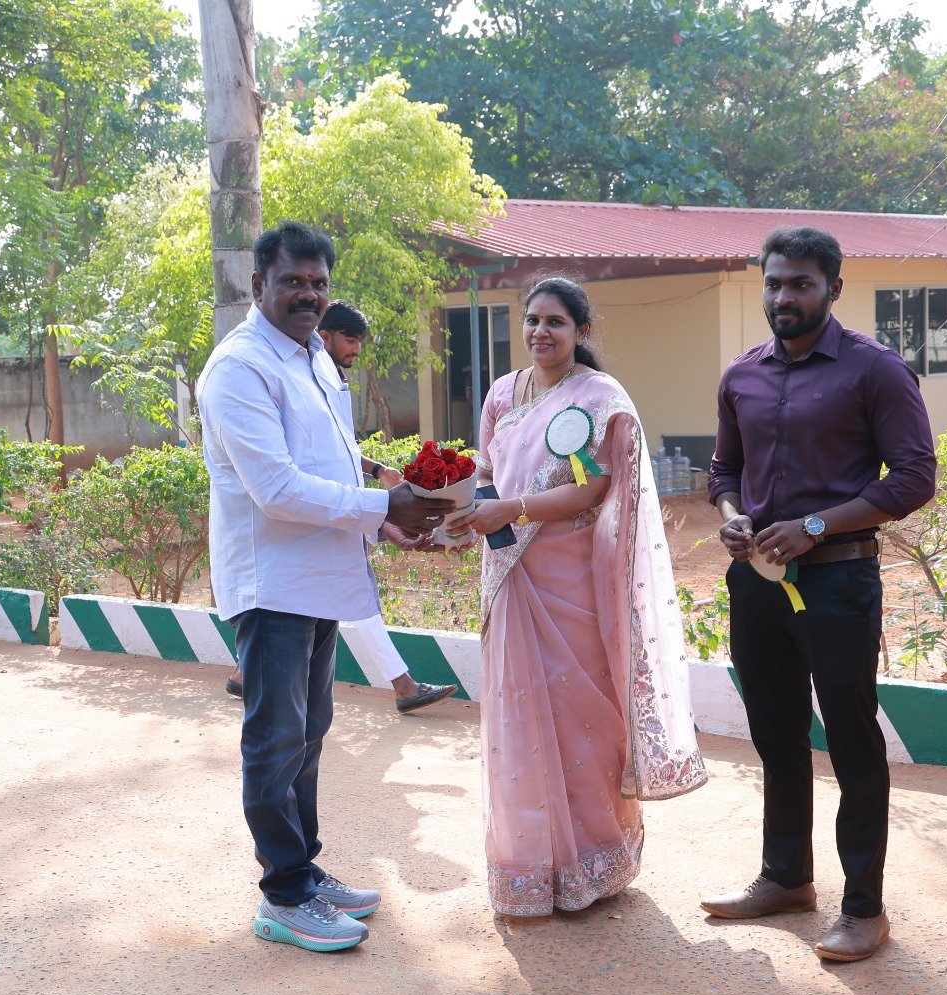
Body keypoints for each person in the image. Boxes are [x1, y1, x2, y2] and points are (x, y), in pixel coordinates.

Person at [197, 222, 453, 952]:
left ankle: (303, 869)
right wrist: (382, 505)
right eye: (292, 282)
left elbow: (331, 463)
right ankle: (283, 895)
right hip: (273, 582)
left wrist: (386, 523)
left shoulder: (313, 357)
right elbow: (276, 488)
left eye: (318, 283)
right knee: (275, 737)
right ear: (258, 285)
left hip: (321, 576)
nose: (308, 295)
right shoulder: (239, 368)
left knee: (309, 732)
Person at [700, 226, 936, 963]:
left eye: (800, 283)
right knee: (775, 732)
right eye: (774, 283)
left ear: (833, 287)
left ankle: (864, 909)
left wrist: (813, 526)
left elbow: (913, 478)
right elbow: (723, 472)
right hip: (757, 580)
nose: (784, 297)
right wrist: (734, 517)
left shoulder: (875, 371)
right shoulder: (742, 375)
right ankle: (786, 879)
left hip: (838, 578)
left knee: (852, 739)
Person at [443, 277, 706, 917]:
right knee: (518, 715)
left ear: (581, 331)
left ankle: (594, 860)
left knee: (582, 718)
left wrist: (513, 507)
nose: (541, 332)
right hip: (510, 571)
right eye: (532, 319)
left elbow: (593, 489)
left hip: (572, 580)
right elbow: (486, 474)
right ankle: (530, 867)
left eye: (556, 322)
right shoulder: (502, 393)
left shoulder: (598, 397)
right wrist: (460, 514)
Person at [225, 300, 458, 715]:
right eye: (350, 339)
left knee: (351, 592)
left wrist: (378, 476)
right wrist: (384, 508)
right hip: (306, 521)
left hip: (338, 511)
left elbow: (339, 449)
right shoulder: (258, 369)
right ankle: (403, 685)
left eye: (360, 341)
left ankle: (247, 670)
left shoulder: (329, 377)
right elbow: (284, 477)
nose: (356, 349)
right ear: (324, 336)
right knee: (348, 596)